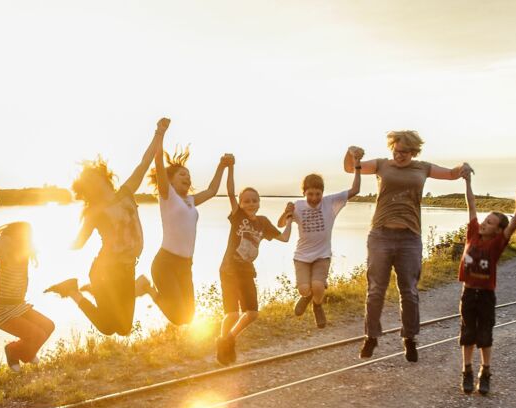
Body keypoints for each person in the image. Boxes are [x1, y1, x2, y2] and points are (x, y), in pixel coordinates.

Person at [346, 131, 472, 362]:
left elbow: (453, 174)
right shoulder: (381, 165)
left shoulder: (422, 168)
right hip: (381, 235)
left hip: (409, 237)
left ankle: (409, 339)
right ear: (391, 148)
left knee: (410, 292)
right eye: (396, 150)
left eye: (405, 151)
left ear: (413, 152)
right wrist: (351, 153)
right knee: (376, 290)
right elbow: (350, 167)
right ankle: (371, 336)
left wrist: (463, 165)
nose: (400, 155)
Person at [44, 119, 169, 336]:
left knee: (124, 329)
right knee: (109, 328)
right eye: (88, 184)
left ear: (104, 178)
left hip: (128, 269)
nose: (94, 185)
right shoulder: (95, 211)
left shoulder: (126, 191)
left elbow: (144, 162)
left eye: (95, 179)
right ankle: (73, 291)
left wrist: (159, 132)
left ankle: (78, 290)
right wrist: (47, 245)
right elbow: (79, 242)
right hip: (105, 271)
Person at [136, 120, 231, 325]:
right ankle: (148, 289)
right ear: (170, 180)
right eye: (182, 174)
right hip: (165, 263)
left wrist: (221, 166)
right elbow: (158, 161)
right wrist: (160, 132)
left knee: (188, 317)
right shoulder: (168, 195)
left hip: (186, 264)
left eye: (188, 175)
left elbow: (212, 190)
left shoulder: (190, 200)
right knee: (178, 318)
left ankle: (146, 288)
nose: (187, 177)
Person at [216, 156, 291, 365]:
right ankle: (225, 349)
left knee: (252, 313)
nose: (250, 204)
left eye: (254, 200)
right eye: (246, 200)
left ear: (259, 203)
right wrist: (230, 168)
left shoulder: (264, 222)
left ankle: (227, 339)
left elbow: (284, 238)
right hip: (229, 270)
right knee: (231, 314)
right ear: (240, 203)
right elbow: (230, 191)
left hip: (247, 271)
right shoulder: (237, 215)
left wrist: (290, 219)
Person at [278, 155, 362, 329]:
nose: (314, 198)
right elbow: (280, 224)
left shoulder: (330, 203)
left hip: (322, 255)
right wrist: (285, 212)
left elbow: (355, 190)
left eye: (318, 194)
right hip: (301, 256)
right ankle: (307, 296)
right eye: (310, 194)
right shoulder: (298, 206)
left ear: (323, 193)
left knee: (317, 285)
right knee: (303, 289)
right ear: (304, 193)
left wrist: (358, 167)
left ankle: (317, 305)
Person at [458, 177, 516, 395]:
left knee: (485, 335)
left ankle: (485, 372)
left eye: (490, 223)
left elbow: (513, 225)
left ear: (497, 231)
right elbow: (471, 204)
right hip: (468, 293)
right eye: (485, 220)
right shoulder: (472, 234)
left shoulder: (497, 243)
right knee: (467, 333)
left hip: (486, 295)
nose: (484, 223)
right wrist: (467, 182)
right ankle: (466, 371)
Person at [0, 222, 55, 372]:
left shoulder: (24, 252)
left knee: (49, 326)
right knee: (37, 334)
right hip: (3, 311)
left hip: (19, 306)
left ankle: (26, 352)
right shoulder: (3, 252)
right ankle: (13, 351)